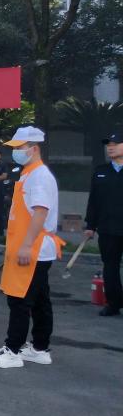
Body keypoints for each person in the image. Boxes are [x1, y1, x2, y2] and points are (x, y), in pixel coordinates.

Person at [0, 126, 65, 368]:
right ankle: (40, 348)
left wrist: (27, 245)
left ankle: (13, 350)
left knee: (20, 299)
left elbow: (40, 212)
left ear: (34, 149)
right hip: (34, 247)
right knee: (39, 299)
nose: (16, 152)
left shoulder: (39, 175)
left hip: (34, 248)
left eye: (20, 147)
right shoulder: (29, 173)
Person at [84, 128, 123, 317]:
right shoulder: (101, 171)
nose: (111, 147)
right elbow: (94, 201)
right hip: (108, 229)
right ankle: (113, 304)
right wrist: (90, 226)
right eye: (109, 145)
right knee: (110, 267)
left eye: (115, 144)